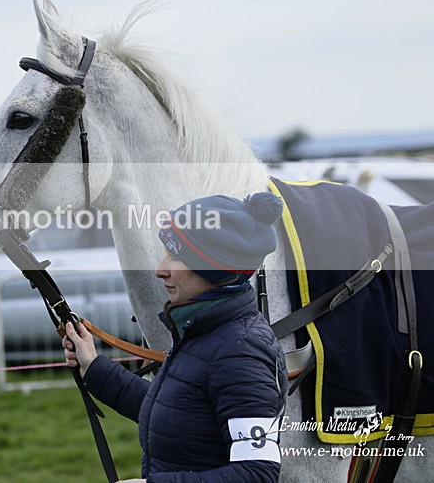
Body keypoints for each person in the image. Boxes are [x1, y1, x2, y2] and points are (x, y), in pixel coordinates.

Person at [63, 192, 288, 482]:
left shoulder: (241, 352)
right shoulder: (206, 332)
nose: (160, 269)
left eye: (176, 256)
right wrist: (93, 367)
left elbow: (258, 473)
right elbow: (171, 409)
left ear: (215, 272)